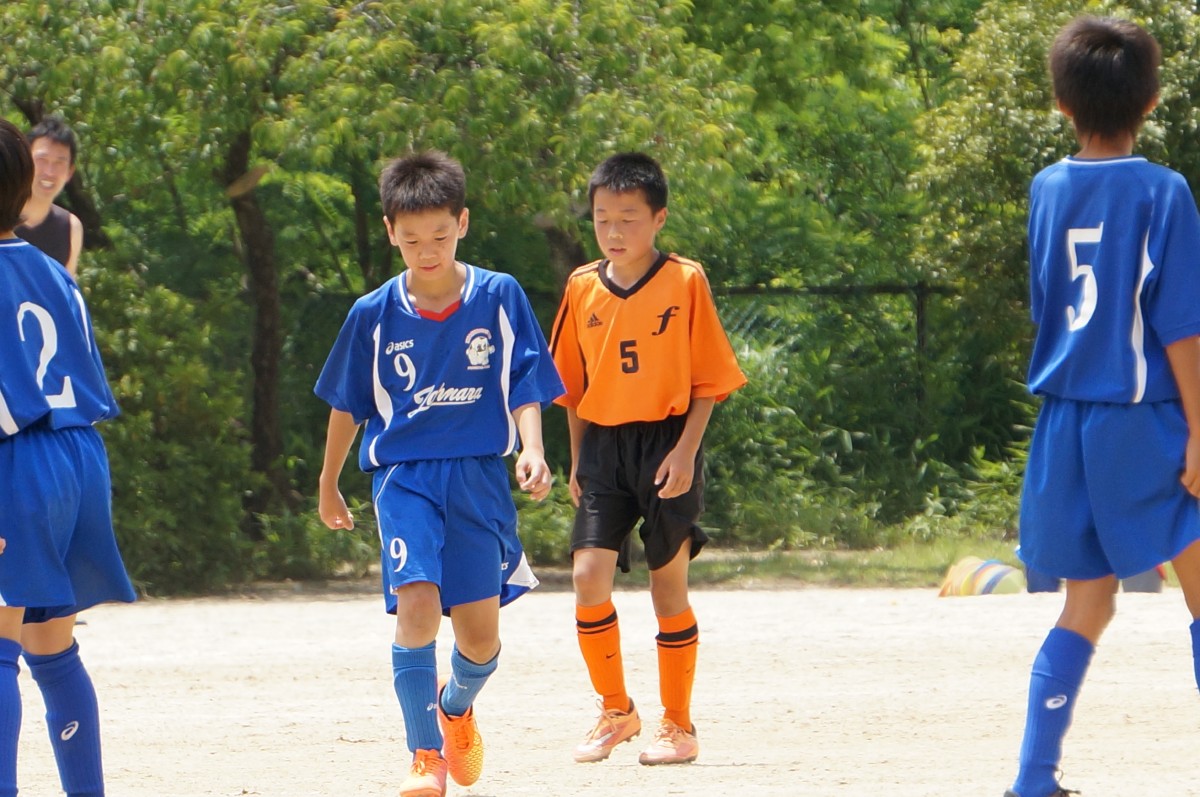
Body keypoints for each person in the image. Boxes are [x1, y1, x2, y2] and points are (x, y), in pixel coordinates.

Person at [315, 150, 564, 797]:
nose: (427, 251)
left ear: (463, 224)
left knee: (480, 641)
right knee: (418, 602)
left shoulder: (499, 296)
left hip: (478, 477)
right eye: (411, 239)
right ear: (390, 231)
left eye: (440, 236)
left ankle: (455, 708)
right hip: (404, 477)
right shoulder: (372, 313)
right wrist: (328, 481)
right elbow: (347, 403)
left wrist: (532, 448)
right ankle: (425, 756)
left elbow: (526, 381)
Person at [1007, 16, 1200, 797]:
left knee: (1088, 601)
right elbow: (1180, 323)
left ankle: (1033, 777)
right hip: (1141, 415)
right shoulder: (1163, 191)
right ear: (1150, 101)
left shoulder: (1046, 188)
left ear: (1062, 102)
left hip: (1064, 421)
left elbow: (1046, 303)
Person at [549, 152, 746, 766]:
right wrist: (577, 460)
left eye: (628, 218)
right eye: (602, 218)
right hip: (604, 447)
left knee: (667, 588)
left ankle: (678, 725)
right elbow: (570, 387)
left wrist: (686, 451)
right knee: (587, 577)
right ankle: (616, 710)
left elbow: (710, 380)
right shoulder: (582, 285)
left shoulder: (685, 280)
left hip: (666, 444)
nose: (614, 231)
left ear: (658, 219)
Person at [0, 117, 136, 797]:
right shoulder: (55, 272)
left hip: (18, 458)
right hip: (80, 454)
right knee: (51, 648)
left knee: (0, 647)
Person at [15, 116, 84, 277]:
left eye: (59, 162)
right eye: (42, 160)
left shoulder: (70, 228)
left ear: (70, 172)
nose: (49, 172)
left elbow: (66, 289)